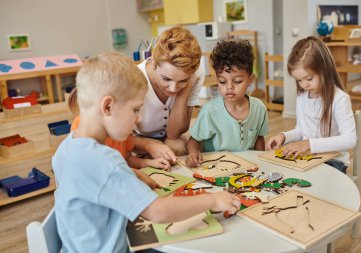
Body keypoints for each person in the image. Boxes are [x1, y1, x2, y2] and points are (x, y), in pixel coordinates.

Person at [53, 52, 240, 252]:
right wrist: (213, 200)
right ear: (108, 106)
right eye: (135, 110)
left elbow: (89, 181)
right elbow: (157, 212)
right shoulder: (106, 161)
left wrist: (130, 174)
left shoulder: (68, 147)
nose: (139, 120)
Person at [267, 36, 356, 173]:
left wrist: (309, 144)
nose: (304, 85)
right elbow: (301, 130)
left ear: (325, 70)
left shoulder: (340, 99)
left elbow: (350, 139)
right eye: (298, 80)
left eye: (309, 78)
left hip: (333, 160)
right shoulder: (302, 96)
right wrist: (284, 136)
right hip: (307, 156)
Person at [186, 40, 269, 168]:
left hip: (247, 167)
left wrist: (260, 162)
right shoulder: (210, 111)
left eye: (238, 81)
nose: (229, 87)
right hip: (216, 166)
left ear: (250, 80)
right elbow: (194, 140)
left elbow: (259, 138)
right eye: (222, 82)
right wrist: (193, 153)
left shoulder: (259, 108)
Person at [136, 26, 205, 158]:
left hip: (171, 137)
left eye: (183, 80)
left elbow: (175, 134)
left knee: (177, 146)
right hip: (137, 138)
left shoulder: (196, 73)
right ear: (154, 63)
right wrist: (150, 145)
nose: (173, 88)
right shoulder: (135, 77)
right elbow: (119, 137)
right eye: (166, 78)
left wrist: (186, 89)